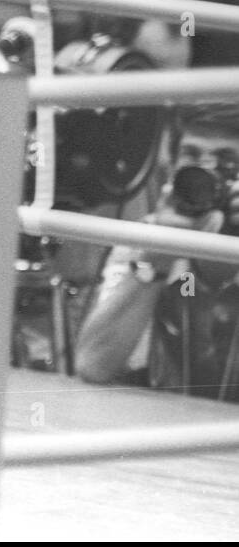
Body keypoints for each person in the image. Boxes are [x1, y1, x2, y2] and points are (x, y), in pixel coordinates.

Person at [75, 104, 239, 399]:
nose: (206, 172)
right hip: (169, 428)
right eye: (191, 155)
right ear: (172, 169)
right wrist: (156, 260)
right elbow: (95, 364)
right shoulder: (147, 237)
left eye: (226, 161)